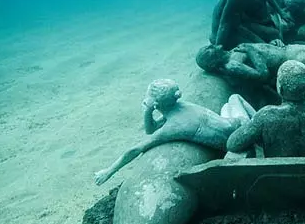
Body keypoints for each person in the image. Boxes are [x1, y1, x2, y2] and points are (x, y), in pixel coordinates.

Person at [94, 79, 254, 185]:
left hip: (235, 142)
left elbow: (137, 148)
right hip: (237, 125)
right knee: (232, 100)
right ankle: (256, 122)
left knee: (230, 104)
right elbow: (152, 128)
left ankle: (257, 136)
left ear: (156, 103)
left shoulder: (172, 127)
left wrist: (109, 171)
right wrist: (149, 111)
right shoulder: (181, 106)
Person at [226, 60, 305, 157]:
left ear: (280, 88)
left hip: (273, 174)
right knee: (234, 101)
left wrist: (249, 126)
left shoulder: (267, 114)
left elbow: (232, 144)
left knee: (231, 103)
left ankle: (241, 120)